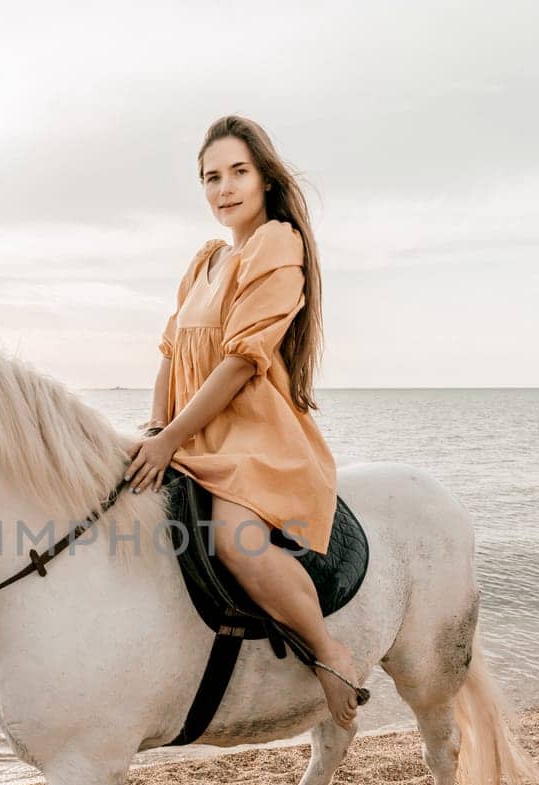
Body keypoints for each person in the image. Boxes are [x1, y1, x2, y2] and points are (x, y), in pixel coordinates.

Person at [124, 114, 363, 726]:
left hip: (251, 438)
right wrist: (156, 429)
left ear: (264, 179)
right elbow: (172, 354)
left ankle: (329, 653)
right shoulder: (204, 259)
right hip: (185, 434)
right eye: (211, 178)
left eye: (238, 172)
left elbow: (238, 364)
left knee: (234, 538)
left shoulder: (278, 245)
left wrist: (175, 436)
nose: (223, 188)